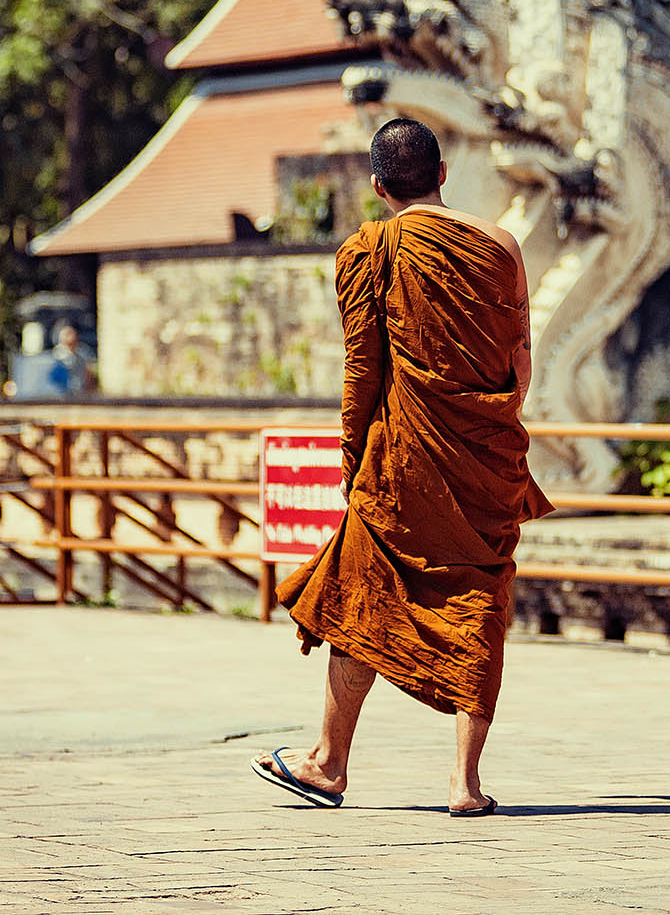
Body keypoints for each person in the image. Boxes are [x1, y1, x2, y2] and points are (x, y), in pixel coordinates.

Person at [252, 118, 551, 817]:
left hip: (400, 461)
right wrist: (489, 433)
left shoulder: (370, 247)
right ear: (444, 173)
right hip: (486, 458)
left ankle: (328, 762)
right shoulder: (503, 245)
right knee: (479, 599)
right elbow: (521, 359)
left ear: (378, 185)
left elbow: (363, 366)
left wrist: (356, 457)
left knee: (361, 596)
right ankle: (464, 782)